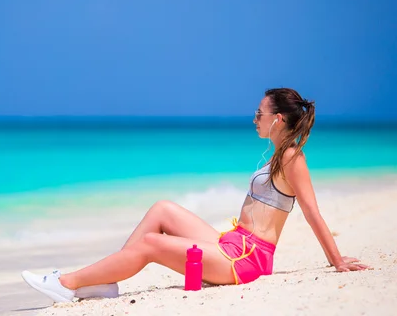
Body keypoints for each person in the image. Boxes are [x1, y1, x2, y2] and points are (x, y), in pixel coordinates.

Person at [21, 88, 369, 303]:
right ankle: (105, 281)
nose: (254, 119)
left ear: (277, 119)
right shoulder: (278, 155)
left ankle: (67, 284)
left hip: (246, 261)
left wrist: (336, 261)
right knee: (162, 210)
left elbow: (311, 211)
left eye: (259, 114)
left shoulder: (292, 157)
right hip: (233, 244)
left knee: (152, 245)